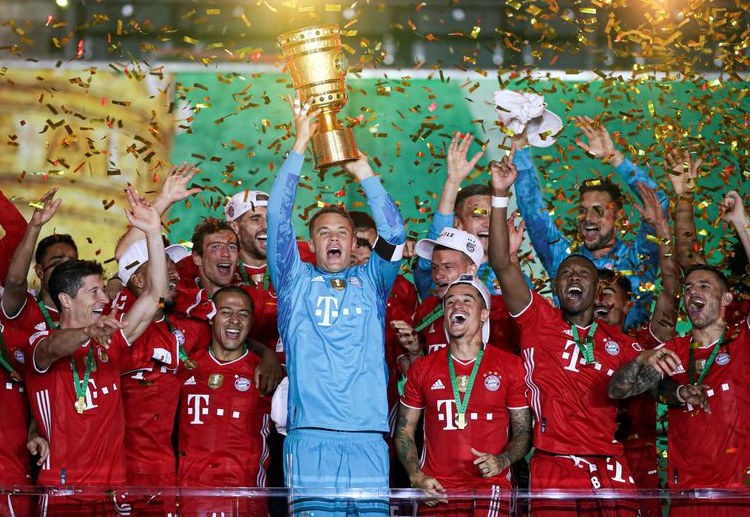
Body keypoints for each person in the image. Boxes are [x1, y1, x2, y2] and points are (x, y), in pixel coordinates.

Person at [267, 96, 406, 516]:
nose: (332, 239)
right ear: (312, 243)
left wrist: (363, 171)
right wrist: (300, 143)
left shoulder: (372, 283)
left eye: (341, 233)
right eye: (323, 232)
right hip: (310, 436)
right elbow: (277, 216)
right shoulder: (295, 282)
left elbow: (396, 234)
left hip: (367, 435)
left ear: (353, 242)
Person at [489, 149, 643, 516]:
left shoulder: (619, 343)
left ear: (597, 288)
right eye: (565, 274)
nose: (573, 276)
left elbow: (657, 384)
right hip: (553, 466)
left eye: (583, 274)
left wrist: (671, 378)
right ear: (556, 288)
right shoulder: (537, 319)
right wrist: (499, 195)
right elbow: (501, 263)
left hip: (610, 466)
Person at [24, 188, 177, 516]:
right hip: (62, 488)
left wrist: (152, 232)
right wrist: (87, 333)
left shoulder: (111, 339)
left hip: (112, 489)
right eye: (93, 292)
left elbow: (155, 297)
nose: (103, 299)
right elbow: (53, 347)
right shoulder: (40, 340)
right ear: (66, 300)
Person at [510, 117, 668, 329]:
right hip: (569, 359)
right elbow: (532, 211)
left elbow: (659, 204)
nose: (588, 218)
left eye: (598, 211)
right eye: (582, 211)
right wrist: (520, 147)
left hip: (629, 358)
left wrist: (616, 159)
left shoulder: (638, 258)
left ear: (619, 216)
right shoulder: (563, 259)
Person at [396, 274, 531, 516]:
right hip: (435, 490)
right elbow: (405, 432)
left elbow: (523, 431)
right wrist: (416, 476)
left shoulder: (510, 366)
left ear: (484, 314)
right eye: (449, 302)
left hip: (490, 487)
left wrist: (502, 460)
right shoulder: (423, 368)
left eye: (467, 300)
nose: (456, 306)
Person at [177, 286, 272, 516]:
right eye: (226, 312)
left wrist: (269, 356)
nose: (235, 320)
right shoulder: (186, 367)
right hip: (192, 497)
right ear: (211, 318)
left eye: (243, 314)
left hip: (245, 499)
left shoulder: (266, 373)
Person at [413, 133, 501, 299]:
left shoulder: (510, 277)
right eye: (478, 215)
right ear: (457, 223)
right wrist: (453, 183)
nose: (488, 222)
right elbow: (439, 234)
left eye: (494, 216)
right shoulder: (435, 271)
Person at [1, 188, 78, 333]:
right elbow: (15, 280)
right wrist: (34, 227)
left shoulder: (90, 314)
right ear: (40, 271)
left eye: (72, 263)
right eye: (57, 263)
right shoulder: (23, 307)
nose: (66, 269)